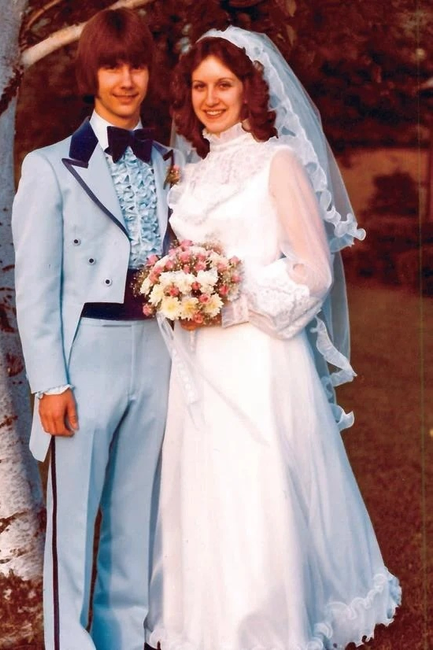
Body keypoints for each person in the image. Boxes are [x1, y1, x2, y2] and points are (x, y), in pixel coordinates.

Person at [145, 27, 401, 650]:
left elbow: (313, 268)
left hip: (260, 352)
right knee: (203, 483)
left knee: (259, 483)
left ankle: (272, 620)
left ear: (250, 90)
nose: (211, 98)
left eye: (224, 85)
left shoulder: (277, 161)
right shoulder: (190, 175)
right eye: (200, 86)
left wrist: (228, 297)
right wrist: (181, 290)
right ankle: (201, 618)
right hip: (200, 359)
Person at [12, 9, 179, 650]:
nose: (126, 79)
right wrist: (50, 382)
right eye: (112, 66)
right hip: (87, 359)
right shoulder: (51, 167)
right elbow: (36, 287)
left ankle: (124, 638)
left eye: (136, 65)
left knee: (135, 518)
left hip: (156, 353)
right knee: (74, 522)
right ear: (92, 72)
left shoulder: (171, 162)